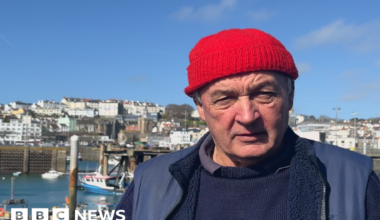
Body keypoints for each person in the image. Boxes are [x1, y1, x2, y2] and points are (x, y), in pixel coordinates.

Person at [115, 28, 380, 220]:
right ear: (201, 108)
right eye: (225, 98)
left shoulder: (354, 179)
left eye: (264, 95)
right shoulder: (150, 181)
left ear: (290, 97)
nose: (247, 115)